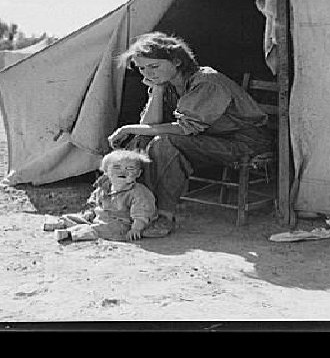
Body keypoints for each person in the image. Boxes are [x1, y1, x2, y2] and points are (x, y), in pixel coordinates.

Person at [107, 32, 273, 237]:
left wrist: (127, 128)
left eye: (154, 66)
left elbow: (184, 128)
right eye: (142, 68)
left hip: (245, 142)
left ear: (177, 61)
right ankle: (133, 205)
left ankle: (163, 216)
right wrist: (157, 91)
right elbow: (149, 125)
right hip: (211, 139)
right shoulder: (165, 83)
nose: (148, 73)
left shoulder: (207, 82)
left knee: (165, 141)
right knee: (144, 138)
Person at [42, 149, 157, 242]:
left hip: (121, 224)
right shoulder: (105, 187)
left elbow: (142, 213)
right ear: (106, 171)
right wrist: (91, 212)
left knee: (101, 229)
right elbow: (96, 201)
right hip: (100, 217)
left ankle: (70, 233)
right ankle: (62, 222)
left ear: (138, 173)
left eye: (130, 169)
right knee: (80, 218)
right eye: (117, 167)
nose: (123, 172)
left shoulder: (138, 193)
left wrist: (136, 228)